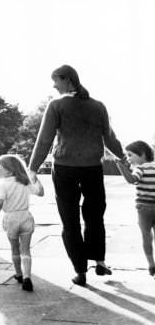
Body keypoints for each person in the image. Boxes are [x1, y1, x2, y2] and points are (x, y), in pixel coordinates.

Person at [27, 64, 126, 286]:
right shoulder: (98, 106)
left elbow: (44, 140)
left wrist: (32, 168)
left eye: (56, 80)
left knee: (69, 220)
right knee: (95, 215)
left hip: (65, 169)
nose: (54, 85)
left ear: (68, 80)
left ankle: (80, 271)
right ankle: (99, 261)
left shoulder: (57, 106)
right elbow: (110, 138)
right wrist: (123, 158)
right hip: (92, 168)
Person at [0, 153, 44, 292]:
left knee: (15, 249)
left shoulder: (2, 184)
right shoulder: (24, 181)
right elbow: (40, 192)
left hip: (11, 219)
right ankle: (27, 277)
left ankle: (18, 274)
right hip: (26, 217)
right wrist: (36, 179)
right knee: (25, 249)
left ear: (9, 170)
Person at [114, 140, 155, 276]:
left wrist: (120, 166)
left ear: (142, 154)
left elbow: (132, 180)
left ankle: (150, 264)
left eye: (130, 155)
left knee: (146, 236)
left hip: (144, 209)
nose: (128, 159)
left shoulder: (140, 168)